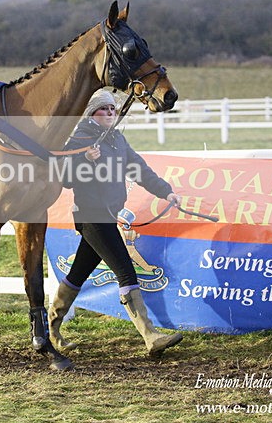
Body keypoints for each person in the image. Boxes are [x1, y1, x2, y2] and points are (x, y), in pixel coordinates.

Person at [49, 89, 184, 356]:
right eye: (104, 109)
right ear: (91, 113)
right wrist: (84, 160)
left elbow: (139, 169)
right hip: (91, 216)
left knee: (78, 274)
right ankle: (150, 336)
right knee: (125, 270)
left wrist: (165, 190)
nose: (110, 112)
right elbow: (64, 178)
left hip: (108, 216)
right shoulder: (79, 139)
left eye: (112, 108)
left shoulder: (116, 140)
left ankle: (50, 328)